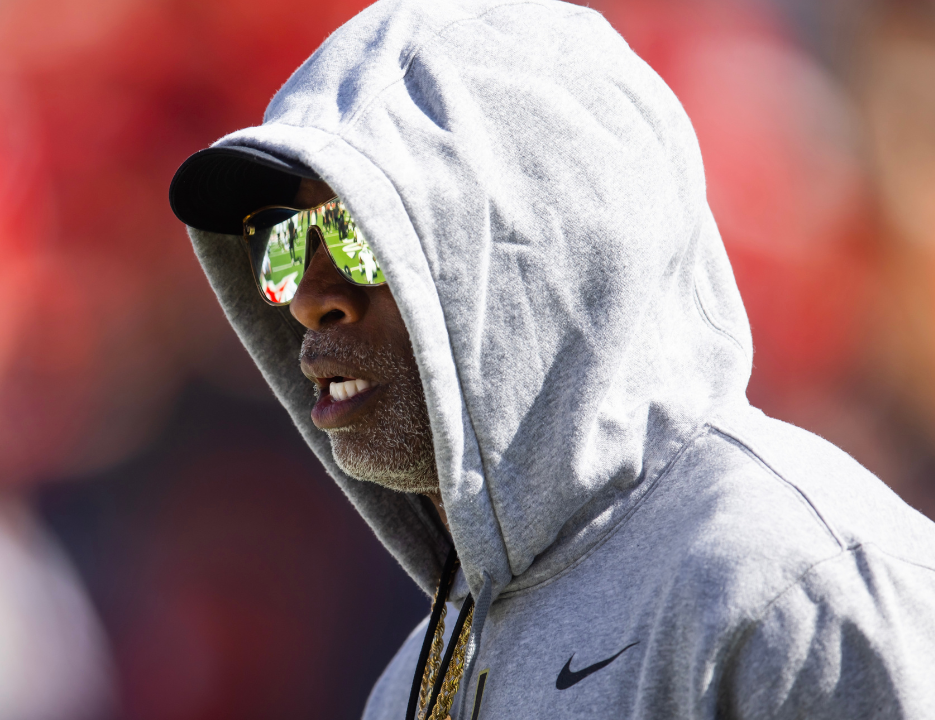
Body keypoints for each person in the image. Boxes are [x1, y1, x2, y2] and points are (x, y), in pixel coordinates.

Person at [168, 1, 935, 718]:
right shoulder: (414, 679)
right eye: (283, 237)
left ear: (536, 242)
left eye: (362, 229)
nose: (309, 297)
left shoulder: (794, 584)